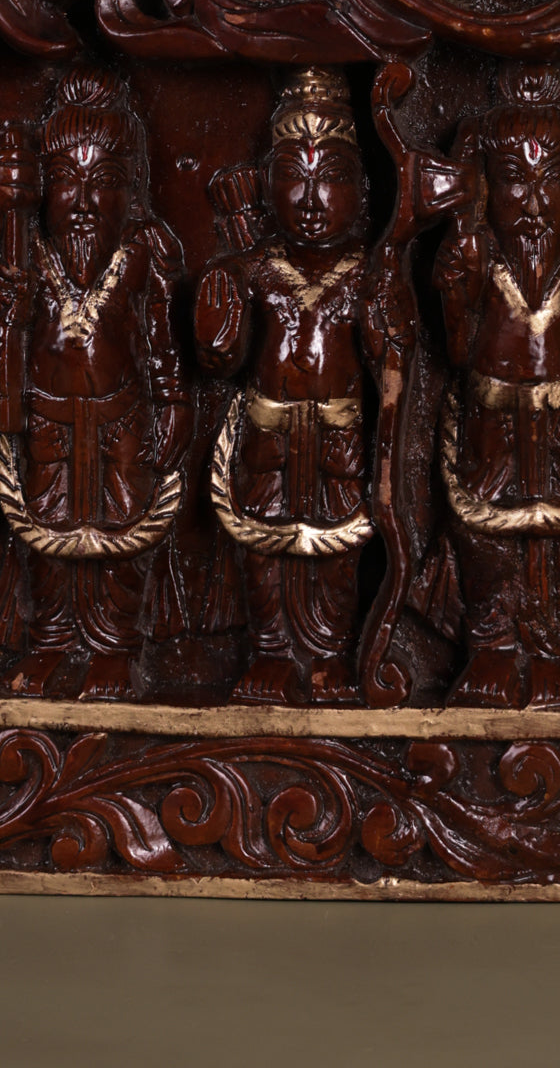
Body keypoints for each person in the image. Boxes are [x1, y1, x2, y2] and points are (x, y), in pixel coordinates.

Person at [0, 69, 191, 700]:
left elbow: (162, 339)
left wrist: (174, 401)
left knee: (124, 530)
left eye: (104, 182)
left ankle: (114, 646)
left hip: (123, 417)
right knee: (46, 531)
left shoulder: (142, 252)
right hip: (46, 417)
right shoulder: (27, 251)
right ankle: (53, 641)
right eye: (66, 180)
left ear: (132, 189)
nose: (83, 202)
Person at [433, 65, 560, 708]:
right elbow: (456, 352)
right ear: (486, 187)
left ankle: (554, 653)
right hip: (490, 425)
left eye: (553, 180)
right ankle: (492, 647)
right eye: (515, 180)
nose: (534, 204)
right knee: (484, 538)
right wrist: (456, 288)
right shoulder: (479, 261)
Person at [195, 68, 376, 703]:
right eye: (294, 176)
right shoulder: (255, 269)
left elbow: (393, 363)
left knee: (340, 544)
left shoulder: (366, 273)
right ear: (265, 185)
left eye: (332, 178)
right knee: (262, 541)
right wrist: (220, 311)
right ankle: (271, 650)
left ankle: (329, 650)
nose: (311, 198)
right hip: (266, 431)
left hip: (340, 434)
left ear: (363, 190)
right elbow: (221, 358)